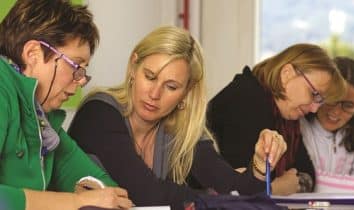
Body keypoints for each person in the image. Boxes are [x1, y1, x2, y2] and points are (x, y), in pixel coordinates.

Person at [68, 26, 287, 209]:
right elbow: (146, 193)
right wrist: (210, 197)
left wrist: (259, 166)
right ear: (134, 66)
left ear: (187, 91)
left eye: (171, 86)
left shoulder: (181, 127)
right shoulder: (99, 112)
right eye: (150, 76)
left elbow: (239, 194)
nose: (154, 94)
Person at [0, 0, 133, 209]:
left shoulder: (43, 121)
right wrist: (75, 201)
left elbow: (104, 189)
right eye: (76, 66)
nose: (81, 81)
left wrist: (91, 190)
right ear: (33, 54)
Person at [206, 43, 346, 195]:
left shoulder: (286, 114)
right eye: (314, 94)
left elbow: (307, 174)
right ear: (286, 74)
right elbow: (241, 186)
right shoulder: (243, 99)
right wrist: (276, 188)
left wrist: (281, 186)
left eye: (320, 101)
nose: (314, 109)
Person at [300, 56, 354, 193]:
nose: (336, 111)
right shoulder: (299, 127)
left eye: (348, 105)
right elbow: (303, 183)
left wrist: (320, 182)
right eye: (332, 100)